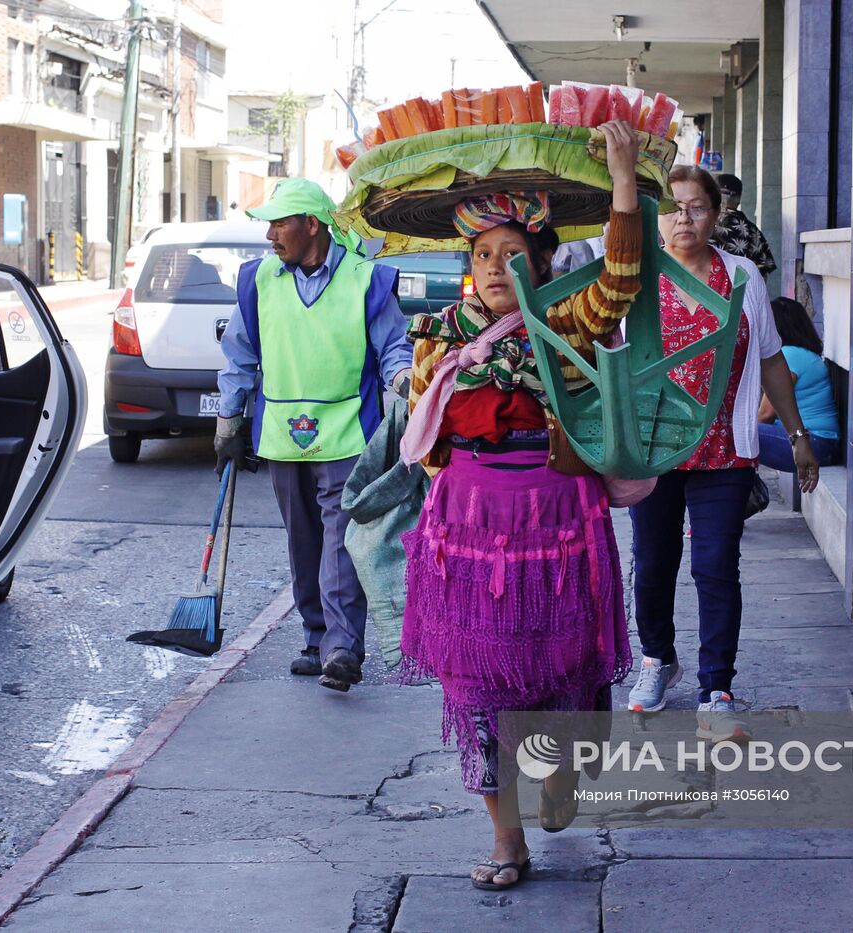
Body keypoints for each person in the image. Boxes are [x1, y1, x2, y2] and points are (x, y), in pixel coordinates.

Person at [401, 120, 643, 892]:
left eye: (513, 253)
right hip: (466, 535)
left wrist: (624, 176)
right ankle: (508, 841)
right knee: (476, 689)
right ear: (469, 268)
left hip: (557, 525)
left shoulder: (566, 321)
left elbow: (622, 277)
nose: (497, 267)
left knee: (563, 674)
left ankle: (561, 774)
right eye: (482, 255)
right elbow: (431, 444)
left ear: (542, 260)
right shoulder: (438, 341)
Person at [626, 165, 818, 740]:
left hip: (724, 453)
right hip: (655, 451)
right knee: (652, 563)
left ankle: (717, 688)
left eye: (696, 207)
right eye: (672, 208)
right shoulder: (634, 274)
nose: (684, 218)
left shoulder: (741, 277)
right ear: (657, 218)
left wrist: (800, 439)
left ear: (717, 215)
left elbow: (770, 361)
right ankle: (658, 659)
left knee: (716, 568)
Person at [214, 178, 411, 692]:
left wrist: (402, 378)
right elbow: (240, 352)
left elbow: (393, 345)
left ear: (313, 225)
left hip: (348, 431)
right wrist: (229, 421)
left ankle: (342, 647)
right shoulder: (259, 281)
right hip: (283, 434)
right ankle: (315, 637)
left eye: (281, 223)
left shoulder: (365, 280)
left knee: (341, 539)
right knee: (303, 540)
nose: (271, 235)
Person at [758, 297, 839, 470]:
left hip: (814, 443)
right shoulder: (805, 354)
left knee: (731, 435)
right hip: (822, 444)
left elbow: (765, 415)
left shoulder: (788, 355)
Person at [710, 173, 776, 278]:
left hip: (703, 292)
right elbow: (763, 272)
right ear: (739, 199)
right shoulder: (753, 232)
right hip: (741, 293)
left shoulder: (704, 225)